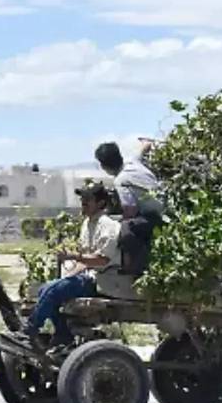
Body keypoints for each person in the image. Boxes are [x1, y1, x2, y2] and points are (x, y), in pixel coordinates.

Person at [21, 182, 120, 348]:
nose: (83, 202)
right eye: (82, 198)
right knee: (45, 289)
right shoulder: (87, 224)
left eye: (88, 199)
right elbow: (84, 261)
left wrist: (74, 256)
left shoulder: (108, 226)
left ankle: (31, 330)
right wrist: (69, 275)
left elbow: (102, 260)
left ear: (101, 203)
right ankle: (62, 332)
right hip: (86, 277)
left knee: (53, 291)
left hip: (102, 281)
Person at [94, 141, 163, 275]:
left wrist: (116, 221)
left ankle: (134, 267)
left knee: (125, 228)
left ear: (104, 166)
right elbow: (144, 148)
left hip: (156, 217)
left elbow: (130, 209)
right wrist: (146, 143)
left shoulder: (120, 180)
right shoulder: (133, 162)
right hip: (166, 209)